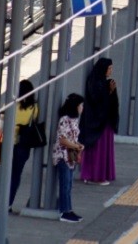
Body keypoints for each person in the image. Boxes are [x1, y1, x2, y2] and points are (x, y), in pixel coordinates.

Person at [79, 58, 119, 185]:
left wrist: (111, 92)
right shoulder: (94, 82)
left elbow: (110, 102)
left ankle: (98, 174)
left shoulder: (102, 82)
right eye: (109, 68)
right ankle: (94, 176)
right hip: (96, 122)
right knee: (98, 150)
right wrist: (109, 92)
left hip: (103, 122)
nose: (111, 71)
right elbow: (97, 101)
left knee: (100, 149)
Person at [53, 93, 84, 223]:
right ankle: (64, 211)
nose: (82, 108)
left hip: (70, 156)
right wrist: (76, 146)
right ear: (75, 106)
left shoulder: (74, 120)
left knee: (69, 184)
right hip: (63, 156)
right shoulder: (64, 119)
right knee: (65, 184)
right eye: (81, 105)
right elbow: (63, 140)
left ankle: (69, 210)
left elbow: (72, 138)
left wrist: (78, 145)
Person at [9, 79, 38, 213]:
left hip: (8, 144)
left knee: (7, 174)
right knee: (16, 176)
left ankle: (3, 200)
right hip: (23, 145)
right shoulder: (34, 108)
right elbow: (35, 122)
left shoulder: (11, 104)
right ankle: (9, 203)